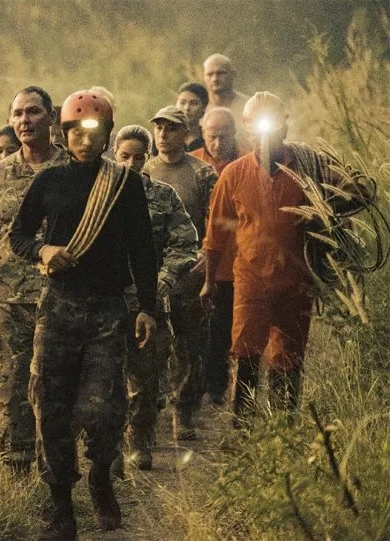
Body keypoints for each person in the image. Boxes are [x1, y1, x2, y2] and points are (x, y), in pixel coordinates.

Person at [10, 90, 157, 538]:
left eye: (94, 133)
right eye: (76, 133)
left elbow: (143, 251)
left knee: (101, 408)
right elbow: (18, 236)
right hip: (58, 309)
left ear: (107, 136)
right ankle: (61, 504)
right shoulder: (49, 182)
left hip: (108, 312)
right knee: (49, 409)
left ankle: (99, 478)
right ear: (64, 133)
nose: (84, 142)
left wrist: (148, 308)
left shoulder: (125, 185)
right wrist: (44, 248)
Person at [201, 92, 371, 424]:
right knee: (246, 350)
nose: (263, 135)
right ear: (247, 130)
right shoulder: (233, 174)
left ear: (285, 127)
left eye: (271, 125)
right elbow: (214, 235)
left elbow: (361, 193)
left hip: (296, 277)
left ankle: (284, 425)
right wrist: (209, 283)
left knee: (288, 355)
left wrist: (329, 205)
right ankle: (243, 425)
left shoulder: (312, 168)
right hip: (250, 278)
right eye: (255, 127)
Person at [0, 86, 70, 472]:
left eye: (33, 112)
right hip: (8, 301)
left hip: (61, 300)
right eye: (18, 114)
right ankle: (15, 467)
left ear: (51, 118)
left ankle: (56, 468)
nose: (25, 120)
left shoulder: (73, 171)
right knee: (9, 387)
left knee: (53, 386)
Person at [113, 125, 197, 471]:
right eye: (124, 156)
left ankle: (141, 440)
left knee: (146, 379)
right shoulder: (98, 193)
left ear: (147, 159)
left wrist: (160, 283)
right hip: (106, 302)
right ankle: (110, 446)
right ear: (113, 154)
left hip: (148, 304)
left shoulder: (162, 197)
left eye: (138, 157)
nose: (131, 163)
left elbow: (184, 244)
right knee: (105, 378)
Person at [145, 105, 219, 440]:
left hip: (190, 271)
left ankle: (185, 412)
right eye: (158, 128)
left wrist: (208, 256)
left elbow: (217, 221)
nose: (163, 134)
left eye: (171, 128)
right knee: (154, 345)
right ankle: (149, 411)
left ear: (186, 134)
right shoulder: (144, 170)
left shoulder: (202, 174)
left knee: (191, 344)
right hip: (153, 274)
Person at [190, 107, 241, 405]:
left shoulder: (249, 160)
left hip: (237, 262)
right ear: (203, 135)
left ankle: (223, 387)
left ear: (234, 134)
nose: (218, 144)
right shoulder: (193, 162)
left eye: (224, 137)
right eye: (212, 137)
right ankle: (202, 386)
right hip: (201, 260)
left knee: (228, 328)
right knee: (203, 330)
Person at [203, 53, 251, 152]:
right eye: (210, 74)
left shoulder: (250, 107)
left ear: (233, 74)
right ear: (204, 77)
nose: (215, 79)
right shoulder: (199, 110)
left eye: (220, 73)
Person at [176, 82, 209, 152]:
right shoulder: (164, 137)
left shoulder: (209, 140)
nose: (187, 108)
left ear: (203, 108)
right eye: (182, 102)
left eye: (193, 103)